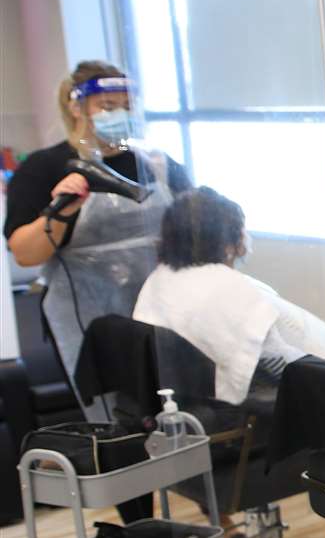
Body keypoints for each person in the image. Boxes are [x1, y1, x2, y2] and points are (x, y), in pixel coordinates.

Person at [4, 62, 192, 429]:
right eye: (107, 106)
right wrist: (59, 213)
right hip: (90, 321)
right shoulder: (47, 168)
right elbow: (25, 253)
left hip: (161, 310)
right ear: (77, 108)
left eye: (125, 105)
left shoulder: (154, 165)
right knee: (117, 427)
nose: (118, 114)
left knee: (178, 417)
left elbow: (195, 227)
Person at [133, 187, 325, 405]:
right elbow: (281, 362)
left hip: (184, 394)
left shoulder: (160, 278)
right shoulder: (225, 288)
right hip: (254, 398)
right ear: (228, 243)